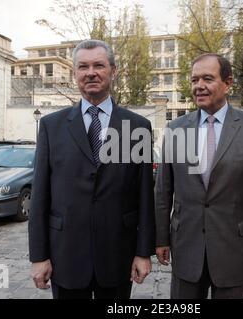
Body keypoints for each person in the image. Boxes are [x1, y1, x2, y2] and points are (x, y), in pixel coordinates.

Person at [29, 39, 155, 299]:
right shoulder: (52, 126)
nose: (91, 73)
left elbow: (145, 196)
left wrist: (143, 252)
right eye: (83, 67)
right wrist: (39, 256)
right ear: (75, 73)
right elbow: (40, 194)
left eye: (99, 65)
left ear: (113, 71)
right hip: (66, 256)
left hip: (118, 256)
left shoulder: (137, 127)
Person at [155, 53, 243, 299]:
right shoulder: (175, 129)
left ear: (228, 83)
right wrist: (161, 238)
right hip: (186, 248)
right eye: (194, 80)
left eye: (207, 78)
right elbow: (163, 191)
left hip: (235, 250)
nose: (198, 86)